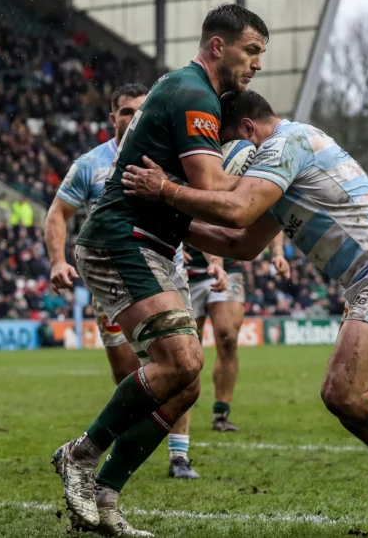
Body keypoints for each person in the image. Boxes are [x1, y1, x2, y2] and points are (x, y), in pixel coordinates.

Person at [121, 90, 368, 535]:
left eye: (224, 154)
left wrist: (165, 192)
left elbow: (237, 210)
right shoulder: (282, 166)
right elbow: (240, 243)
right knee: (358, 411)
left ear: (247, 131)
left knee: (342, 392)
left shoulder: (287, 143)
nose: (221, 171)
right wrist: (170, 223)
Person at [49, 4, 269, 537]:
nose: (258, 64)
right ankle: (81, 454)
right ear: (219, 46)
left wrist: (237, 235)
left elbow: (196, 213)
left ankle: (105, 496)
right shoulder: (194, 94)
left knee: (184, 385)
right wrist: (262, 181)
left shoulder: (191, 93)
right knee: (182, 359)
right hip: (120, 241)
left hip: (151, 242)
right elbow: (213, 190)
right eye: (252, 50)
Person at [45, 83, 225, 483]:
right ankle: (116, 453)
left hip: (167, 272)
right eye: (125, 112)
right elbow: (58, 213)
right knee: (134, 377)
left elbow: (196, 214)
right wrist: (58, 260)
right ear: (113, 118)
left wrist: (214, 260)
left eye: (139, 111)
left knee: (184, 366)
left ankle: (178, 455)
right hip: (113, 276)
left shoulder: (169, 155)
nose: (133, 118)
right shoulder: (91, 164)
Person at [184, 236, 288, 432]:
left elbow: (271, 211)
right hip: (184, 270)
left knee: (227, 337)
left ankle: (221, 414)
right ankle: (181, 406)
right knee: (186, 345)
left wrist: (278, 252)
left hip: (228, 267)